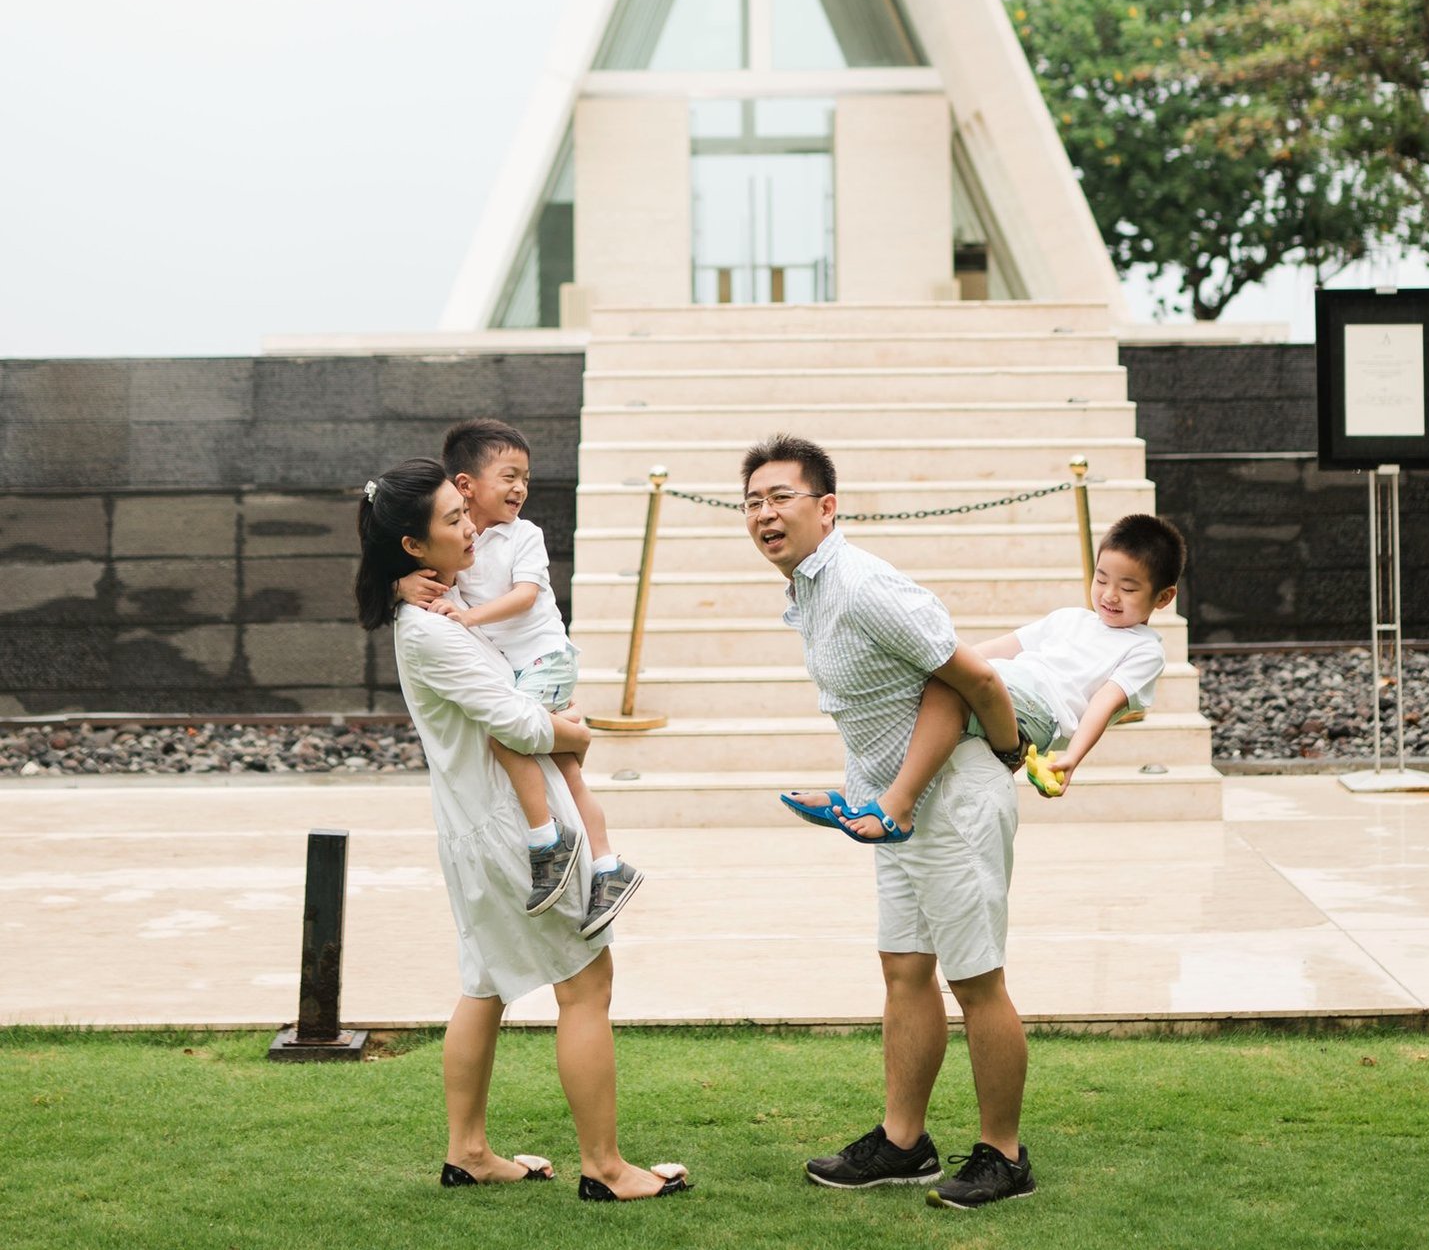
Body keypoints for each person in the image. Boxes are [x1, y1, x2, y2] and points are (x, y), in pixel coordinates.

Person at [356, 457, 688, 1202]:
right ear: (413, 547)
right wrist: (574, 733)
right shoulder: (432, 634)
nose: (471, 527)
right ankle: (605, 1169)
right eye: (451, 520)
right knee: (586, 982)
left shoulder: (429, 607)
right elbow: (514, 722)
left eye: (462, 511)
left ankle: (468, 1151)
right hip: (510, 835)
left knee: (484, 985)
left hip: (478, 829)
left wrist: (392, 583)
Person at [746, 433, 1034, 1211]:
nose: (765, 514)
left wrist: (1008, 754)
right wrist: (853, 799)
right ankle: (904, 1143)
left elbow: (971, 675)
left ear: (827, 507)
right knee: (905, 969)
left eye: (781, 498)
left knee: (977, 980)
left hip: (955, 798)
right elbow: (881, 708)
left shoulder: (863, 583)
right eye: (753, 502)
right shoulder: (810, 589)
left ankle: (1004, 1155)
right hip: (896, 807)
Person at [396, 418, 640, 939]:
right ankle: (607, 866)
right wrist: (400, 584)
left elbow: (527, 596)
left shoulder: (523, 536)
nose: (521, 488)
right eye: (509, 476)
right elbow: (433, 582)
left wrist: (468, 618)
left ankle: (546, 841)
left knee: (507, 736)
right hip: (520, 669)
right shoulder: (466, 546)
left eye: (526, 477)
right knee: (570, 774)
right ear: (466, 486)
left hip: (546, 660)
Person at [803, 514, 1185, 836]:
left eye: (1128, 588)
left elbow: (1105, 702)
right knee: (918, 688)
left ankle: (899, 808)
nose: (1109, 596)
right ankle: (855, 791)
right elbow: (1000, 648)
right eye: (1102, 580)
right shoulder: (1070, 618)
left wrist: (1073, 756)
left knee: (949, 690)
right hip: (1008, 685)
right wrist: (937, 662)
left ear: (1163, 597)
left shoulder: (1143, 649)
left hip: (1039, 712)